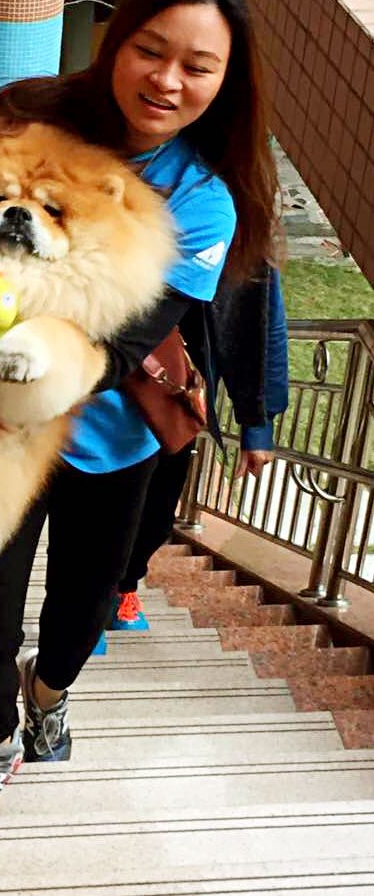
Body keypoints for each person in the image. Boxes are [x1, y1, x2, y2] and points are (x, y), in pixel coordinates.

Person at [0, 0, 280, 817]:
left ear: (226, 81)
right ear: (115, 40)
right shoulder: (25, 121)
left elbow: (118, 341)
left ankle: (50, 693)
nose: (168, 80)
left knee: (83, 610)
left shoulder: (207, 203)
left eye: (198, 66)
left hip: (110, 440)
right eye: (151, 49)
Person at [111, 263, 289, 631]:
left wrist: (257, 425)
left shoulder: (237, 223)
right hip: (104, 373)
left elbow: (263, 326)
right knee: (89, 510)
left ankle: (120, 588)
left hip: (174, 390)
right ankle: (81, 612)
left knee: (156, 514)